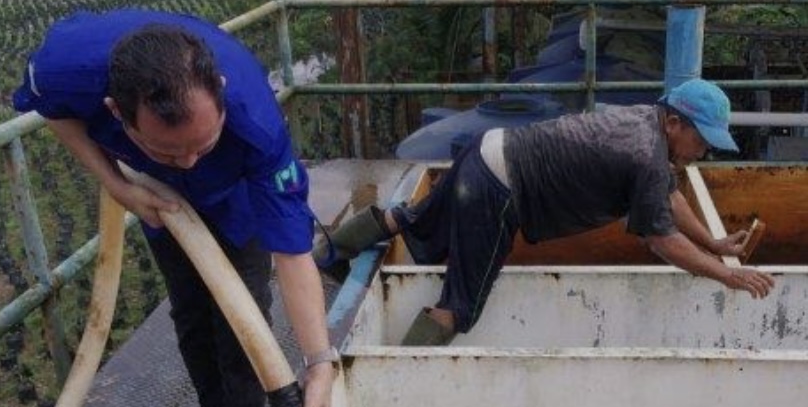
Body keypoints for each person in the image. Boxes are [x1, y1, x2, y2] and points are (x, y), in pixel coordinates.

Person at [13, 9, 336, 407]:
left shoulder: (257, 124)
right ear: (116, 111)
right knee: (189, 311)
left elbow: (292, 253)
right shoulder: (67, 65)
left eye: (201, 145)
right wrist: (117, 184)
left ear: (222, 94)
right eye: (170, 149)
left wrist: (319, 363)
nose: (187, 161)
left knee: (240, 315)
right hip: (157, 197)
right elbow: (52, 109)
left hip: (234, 195)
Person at [316, 78, 776, 345]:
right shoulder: (645, 154)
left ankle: (324, 255)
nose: (702, 151)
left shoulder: (646, 123)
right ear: (675, 123)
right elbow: (660, 240)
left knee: (408, 219)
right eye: (702, 140)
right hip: (498, 191)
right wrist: (725, 274)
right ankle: (400, 382)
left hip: (487, 150)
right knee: (460, 307)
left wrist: (712, 243)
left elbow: (667, 195)